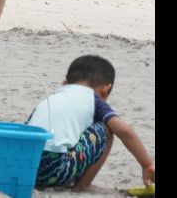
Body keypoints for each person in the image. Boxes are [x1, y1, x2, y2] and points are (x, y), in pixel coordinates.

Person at [27, 55, 155, 190]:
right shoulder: (93, 99)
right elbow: (123, 130)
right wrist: (146, 165)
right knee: (107, 129)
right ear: (105, 90)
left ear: (65, 83)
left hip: (27, 168)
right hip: (56, 171)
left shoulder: (50, 98)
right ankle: (81, 187)